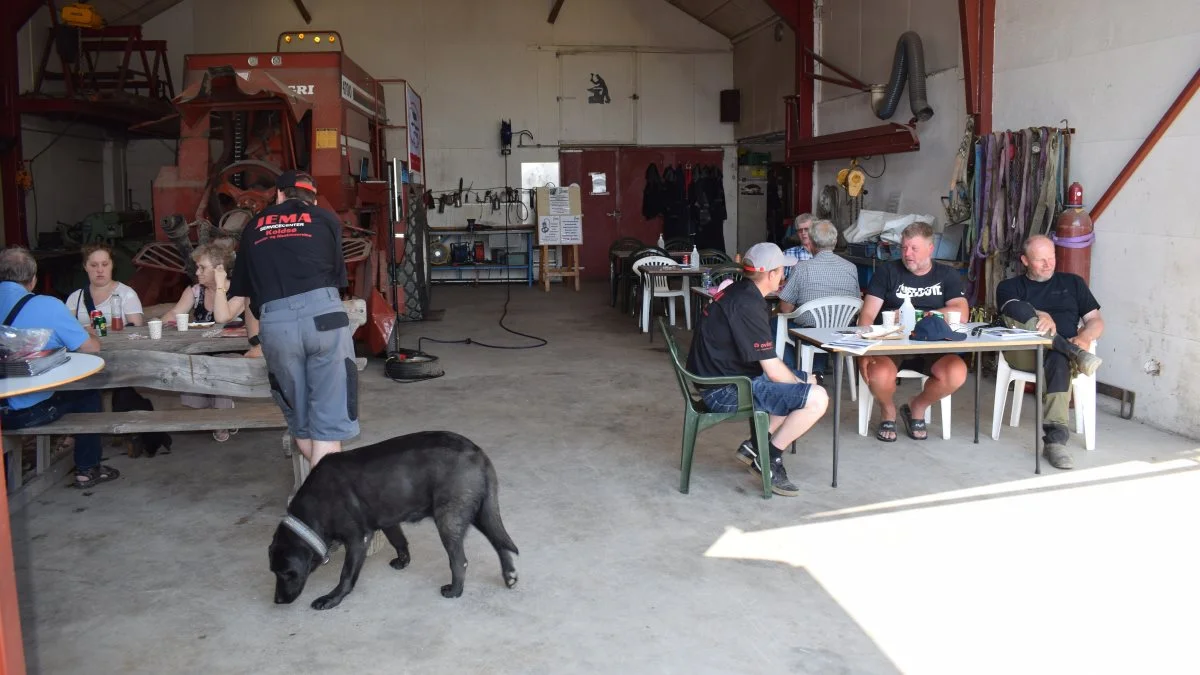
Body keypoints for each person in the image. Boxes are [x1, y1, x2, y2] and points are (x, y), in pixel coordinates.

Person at [227, 170, 358, 468]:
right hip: (325, 318)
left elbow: (247, 292)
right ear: (311, 197)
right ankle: (326, 499)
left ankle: (321, 489)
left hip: (276, 324)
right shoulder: (326, 220)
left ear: (279, 194)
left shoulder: (253, 226)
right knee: (327, 419)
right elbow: (338, 278)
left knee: (300, 419)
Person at [687, 242, 829, 496]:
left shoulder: (740, 291)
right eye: (782, 271)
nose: (784, 276)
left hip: (720, 376)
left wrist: (802, 381)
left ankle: (754, 446)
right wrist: (802, 387)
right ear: (771, 274)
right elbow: (773, 371)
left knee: (808, 381)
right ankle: (769, 459)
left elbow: (768, 363)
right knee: (816, 398)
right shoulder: (748, 305)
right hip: (726, 390)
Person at [0, 247, 116, 488]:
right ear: (33, 280)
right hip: (23, 413)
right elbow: (91, 348)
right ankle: (87, 469)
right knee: (88, 394)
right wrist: (87, 334)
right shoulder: (48, 306)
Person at [996, 235, 1104, 470]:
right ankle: (1072, 351)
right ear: (1025, 260)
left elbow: (1095, 321)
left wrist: (1085, 336)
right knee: (1020, 311)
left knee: (1057, 359)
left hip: (1060, 359)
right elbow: (1011, 310)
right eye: (1040, 260)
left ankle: (1055, 442)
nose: (1048, 264)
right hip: (1024, 352)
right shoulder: (1009, 286)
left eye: (1052, 257)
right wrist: (1038, 313)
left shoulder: (1073, 283)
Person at [857, 221, 970, 442]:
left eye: (914, 248)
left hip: (933, 343)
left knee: (956, 372)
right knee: (878, 374)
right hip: (892, 342)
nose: (907, 254)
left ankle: (916, 407)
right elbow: (868, 314)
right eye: (904, 248)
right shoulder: (887, 271)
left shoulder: (947, 274)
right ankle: (888, 410)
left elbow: (961, 311)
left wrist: (921, 317)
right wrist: (864, 347)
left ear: (930, 248)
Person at [161, 242, 249, 442]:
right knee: (187, 361)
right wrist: (157, 324)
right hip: (201, 349)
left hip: (231, 350)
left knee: (218, 366)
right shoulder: (195, 291)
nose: (197, 272)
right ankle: (217, 413)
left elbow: (222, 318)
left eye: (202, 268)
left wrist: (219, 286)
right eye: (197, 267)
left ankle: (222, 417)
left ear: (219, 270)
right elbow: (175, 313)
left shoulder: (239, 291)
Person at [777, 219, 861, 372]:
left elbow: (785, 308)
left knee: (775, 324)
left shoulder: (802, 268)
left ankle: (793, 372)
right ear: (835, 242)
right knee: (824, 324)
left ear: (812, 244)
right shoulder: (851, 268)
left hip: (809, 332)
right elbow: (856, 305)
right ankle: (817, 371)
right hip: (842, 332)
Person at [64, 243, 145, 327]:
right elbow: (66, 330)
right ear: (85, 267)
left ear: (112, 265)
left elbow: (135, 331)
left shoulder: (127, 294)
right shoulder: (75, 298)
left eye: (105, 264)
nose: (100, 270)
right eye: (94, 265)